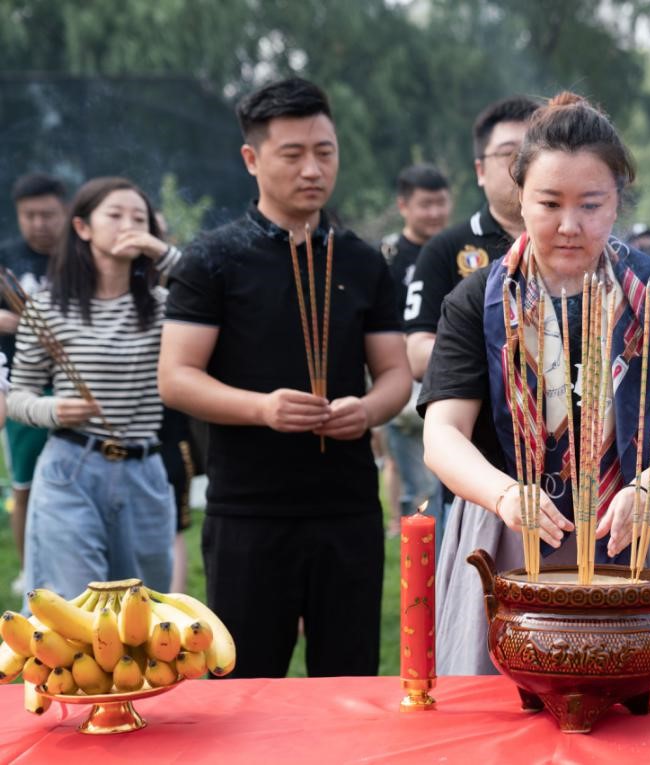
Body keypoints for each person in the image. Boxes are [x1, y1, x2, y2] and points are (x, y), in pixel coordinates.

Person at [422, 92, 650, 676]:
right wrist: (506, 494)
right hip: (503, 537)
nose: (569, 226)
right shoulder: (480, 300)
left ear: (617, 202)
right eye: (549, 202)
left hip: (621, 530)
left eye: (591, 204)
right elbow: (443, 434)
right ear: (520, 197)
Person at [159, 77, 412, 678]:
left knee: (349, 685)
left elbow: (396, 374)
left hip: (347, 506)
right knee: (244, 688)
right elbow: (176, 377)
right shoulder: (213, 259)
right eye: (292, 154)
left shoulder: (362, 260)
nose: (312, 169)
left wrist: (369, 410)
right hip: (249, 509)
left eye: (324, 152)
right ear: (252, 159)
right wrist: (261, 408)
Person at [9, 177, 181, 599]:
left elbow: (213, 288)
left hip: (145, 468)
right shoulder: (47, 305)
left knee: (143, 615)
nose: (128, 225)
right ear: (83, 228)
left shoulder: (165, 306)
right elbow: (17, 395)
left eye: (139, 218)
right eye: (116, 215)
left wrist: (164, 252)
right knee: (77, 613)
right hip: (71, 465)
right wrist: (54, 411)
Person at [404, 96, 541, 380]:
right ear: (480, 171)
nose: (523, 166)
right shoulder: (444, 249)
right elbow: (417, 355)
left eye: (535, 153)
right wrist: (499, 355)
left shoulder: (572, 242)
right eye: (509, 154)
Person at [0, 174, 68, 596]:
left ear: (66, 212)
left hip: (76, 385)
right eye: (30, 215)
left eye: (47, 214)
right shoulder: (6, 261)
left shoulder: (82, 257)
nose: (39, 223)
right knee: (24, 485)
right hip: (23, 386)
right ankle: (30, 576)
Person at [379, 164, 451, 536]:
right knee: (419, 488)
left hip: (455, 373)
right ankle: (421, 583)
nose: (435, 212)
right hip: (405, 379)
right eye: (426, 204)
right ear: (404, 205)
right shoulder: (390, 256)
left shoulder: (459, 249)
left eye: (441, 203)